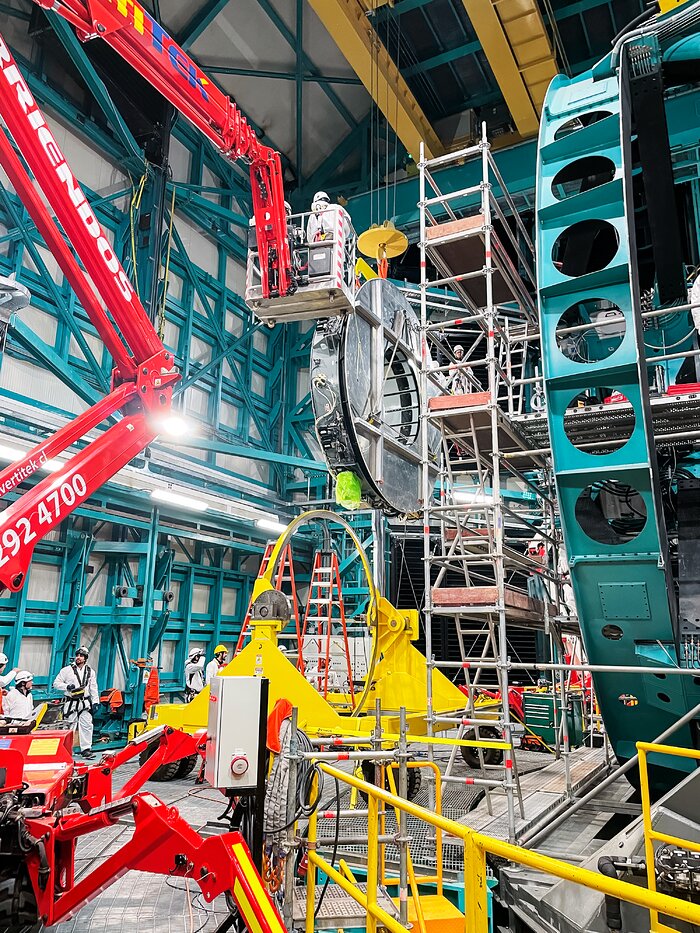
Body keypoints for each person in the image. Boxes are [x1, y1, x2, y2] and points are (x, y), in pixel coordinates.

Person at [53, 646, 99, 759]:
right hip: (71, 703)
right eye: (77, 655)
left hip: (85, 703)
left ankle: (86, 749)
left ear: (85, 658)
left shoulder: (90, 671)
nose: (78, 657)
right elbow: (56, 683)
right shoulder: (66, 670)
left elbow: (93, 687)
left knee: (87, 726)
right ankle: (66, 750)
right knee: (69, 726)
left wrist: (95, 701)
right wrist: (67, 686)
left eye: (81, 656)